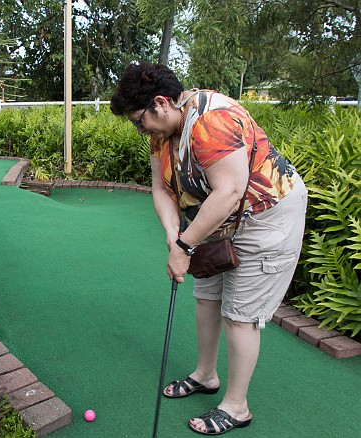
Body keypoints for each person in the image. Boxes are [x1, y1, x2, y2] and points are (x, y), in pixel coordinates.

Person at [110, 62, 308, 435]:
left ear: (161, 103)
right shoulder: (162, 131)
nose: (141, 129)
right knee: (207, 296)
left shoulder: (212, 120)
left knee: (240, 313)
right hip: (217, 218)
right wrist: (173, 235)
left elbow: (230, 191)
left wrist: (185, 245)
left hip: (266, 213)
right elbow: (160, 188)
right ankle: (206, 374)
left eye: (140, 121)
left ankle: (237, 407)